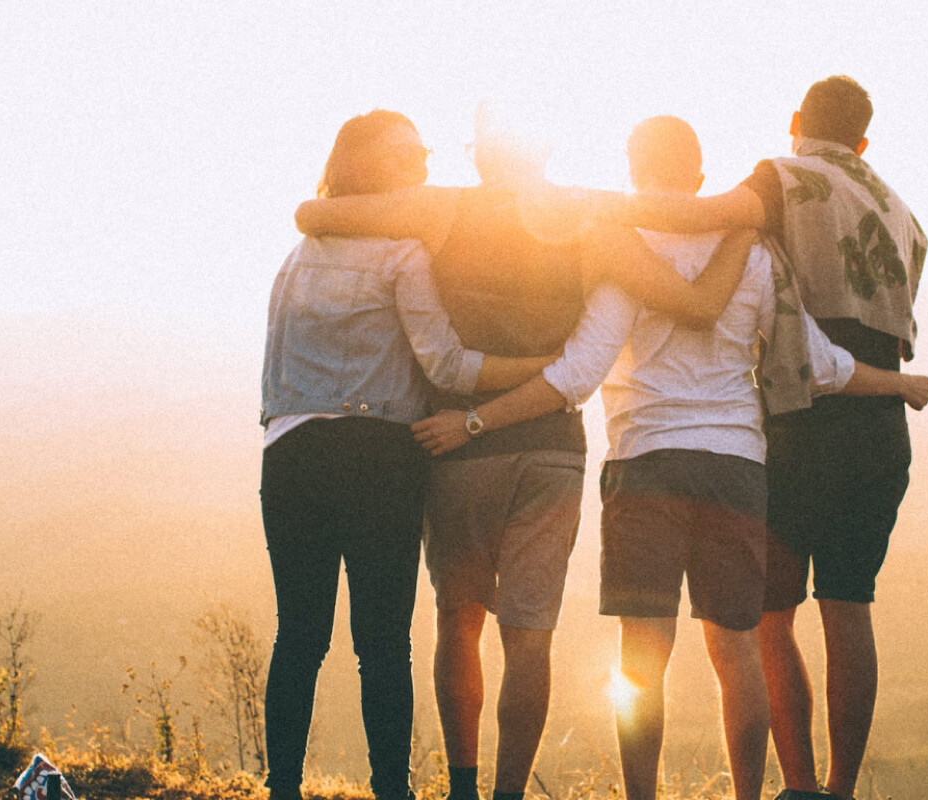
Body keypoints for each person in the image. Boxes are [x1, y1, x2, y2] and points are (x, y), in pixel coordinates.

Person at [411, 115, 928, 800]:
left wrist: (477, 421)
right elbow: (817, 364)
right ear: (698, 174)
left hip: (646, 464)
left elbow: (577, 374)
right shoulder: (753, 253)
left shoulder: (624, 253)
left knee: (642, 654)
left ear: (634, 171)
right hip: (737, 466)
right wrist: (897, 382)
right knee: (737, 647)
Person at [293, 102, 751, 800]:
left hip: (458, 447)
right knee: (529, 636)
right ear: (544, 150)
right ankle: (510, 791)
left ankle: (465, 789)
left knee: (459, 621)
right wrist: (749, 217)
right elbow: (691, 298)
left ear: (479, 154)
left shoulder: (439, 210)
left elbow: (314, 217)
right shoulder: (590, 220)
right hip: (551, 452)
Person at [601, 78, 928, 800]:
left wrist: (594, 211)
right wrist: (896, 383)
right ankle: (840, 790)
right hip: (879, 419)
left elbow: (706, 214)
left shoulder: (783, 178)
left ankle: (800, 786)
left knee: (767, 618)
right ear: (863, 140)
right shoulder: (901, 211)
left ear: (795, 123)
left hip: (799, 416)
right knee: (850, 605)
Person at [258, 110, 557, 800]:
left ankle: (283, 788)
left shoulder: (295, 257)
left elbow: (275, 370)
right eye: (407, 155)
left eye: (424, 151)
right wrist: (544, 366)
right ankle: (391, 788)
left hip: (291, 454)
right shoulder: (403, 255)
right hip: (378, 456)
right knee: (382, 641)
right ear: (367, 166)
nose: (423, 165)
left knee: (299, 634)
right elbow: (447, 365)